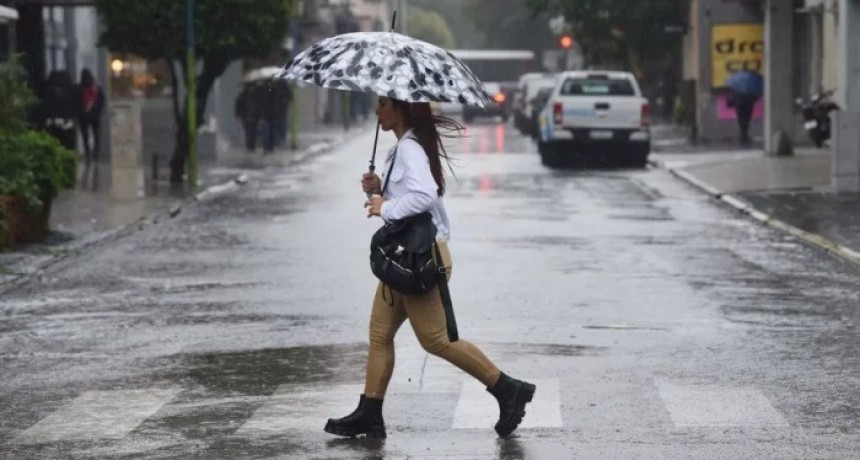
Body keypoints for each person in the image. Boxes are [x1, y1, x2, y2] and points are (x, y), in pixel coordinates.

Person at [324, 97, 536, 439]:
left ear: (401, 110)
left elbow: (425, 196)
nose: (377, 111)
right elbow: (411, 194)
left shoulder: (410, 149)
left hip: (421, 259)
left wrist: (384, 207)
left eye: (383, 105)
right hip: (404, 256)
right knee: (380, 334)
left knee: (436, 341)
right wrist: (379, 187)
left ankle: (508, 389)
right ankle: (370, 412)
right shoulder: (402, 148)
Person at [38, 70, 78, 152]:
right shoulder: (72, 91)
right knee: (68, 149)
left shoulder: (48, 91)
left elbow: (44, 108)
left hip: (52, 124)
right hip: (67, 124)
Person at [78, 68, 105, 163]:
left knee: (85, 136)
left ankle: (88, 153)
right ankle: (96, 153)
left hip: (84, 116)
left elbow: (77, 102)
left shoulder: (80, 88)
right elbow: (102, 101)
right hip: (95, 115)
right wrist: (99, 111)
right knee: (96, 135)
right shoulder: (96, 88)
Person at [234, 83, 260, 152]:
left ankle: (252, 145)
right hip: (246, 115)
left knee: (253, 131)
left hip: (253, 115)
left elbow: (259, 106)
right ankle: (249, 145)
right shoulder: (243, 96)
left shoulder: (255, 95)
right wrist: (238, 114)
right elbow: (238, 106)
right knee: (248, 131)